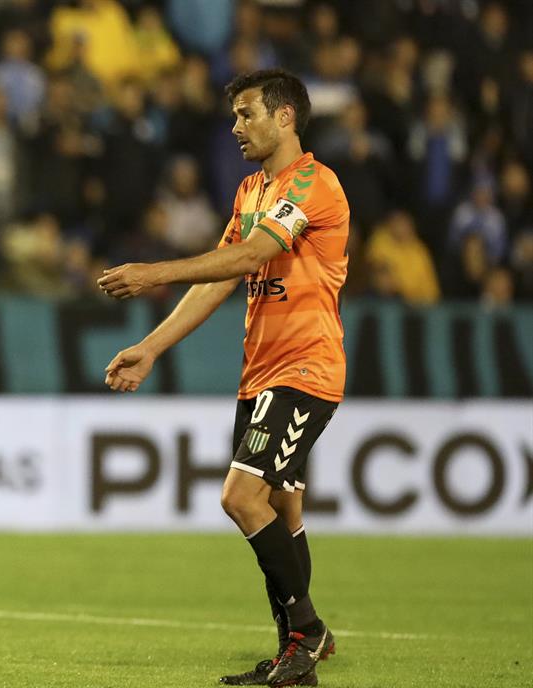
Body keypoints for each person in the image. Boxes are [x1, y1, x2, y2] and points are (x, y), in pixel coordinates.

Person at [98, 69, 346, 687]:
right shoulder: (250, 191)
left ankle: (309, 632)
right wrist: (151, 346)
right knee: (284, 510)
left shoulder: (314, 184)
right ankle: (295, 657)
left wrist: (153, 273)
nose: (235, 126)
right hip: (259, 372)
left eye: (246, 113)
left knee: (240, 497)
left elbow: (252, 255)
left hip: (305, 367)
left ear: (284, 116)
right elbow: (219, 280)